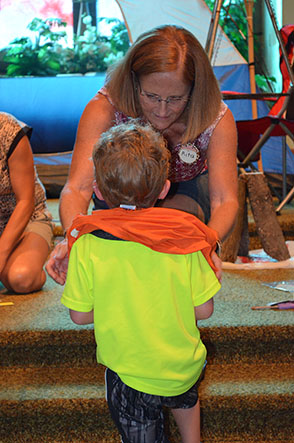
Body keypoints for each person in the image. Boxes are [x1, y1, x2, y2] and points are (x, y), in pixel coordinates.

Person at [61, 120, 221, 442]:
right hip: (182, 367)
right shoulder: (185, 236)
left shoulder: (88, 242)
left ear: (98, 191)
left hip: (130, 374)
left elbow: (79, 316)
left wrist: (120, 307)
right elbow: (204, 311)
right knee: (184, 394)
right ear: (164, 188)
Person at [46, 24, 238, 285]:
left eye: (175, 99)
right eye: (151, 96)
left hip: (184, 195)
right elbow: (78, 188)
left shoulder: (216, 117)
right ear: (134, 82)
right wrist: (73, 237)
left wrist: (207, 244)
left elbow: (224, 199)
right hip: (120, 195)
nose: (162, 110)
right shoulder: (104, 108)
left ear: (195, 90)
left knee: (174, 233)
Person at [0, 112, 53, 293]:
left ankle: (33, 252)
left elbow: (25, 202)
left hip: (25, 219)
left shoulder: (8, 129)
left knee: (20, 278)